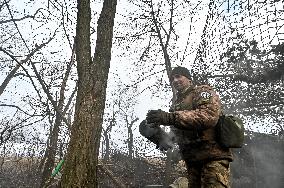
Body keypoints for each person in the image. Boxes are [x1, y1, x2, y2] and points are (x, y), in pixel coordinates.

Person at [139, 66, 233, 188]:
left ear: (189, 79)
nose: (175, 80)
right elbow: (177, 134)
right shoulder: (176, 105)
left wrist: (170, 118)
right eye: (172, 78)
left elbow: (208, 117)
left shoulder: (202, 91)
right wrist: (159, 136)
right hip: (192, 161)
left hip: (212, 158)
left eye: (178, 76)